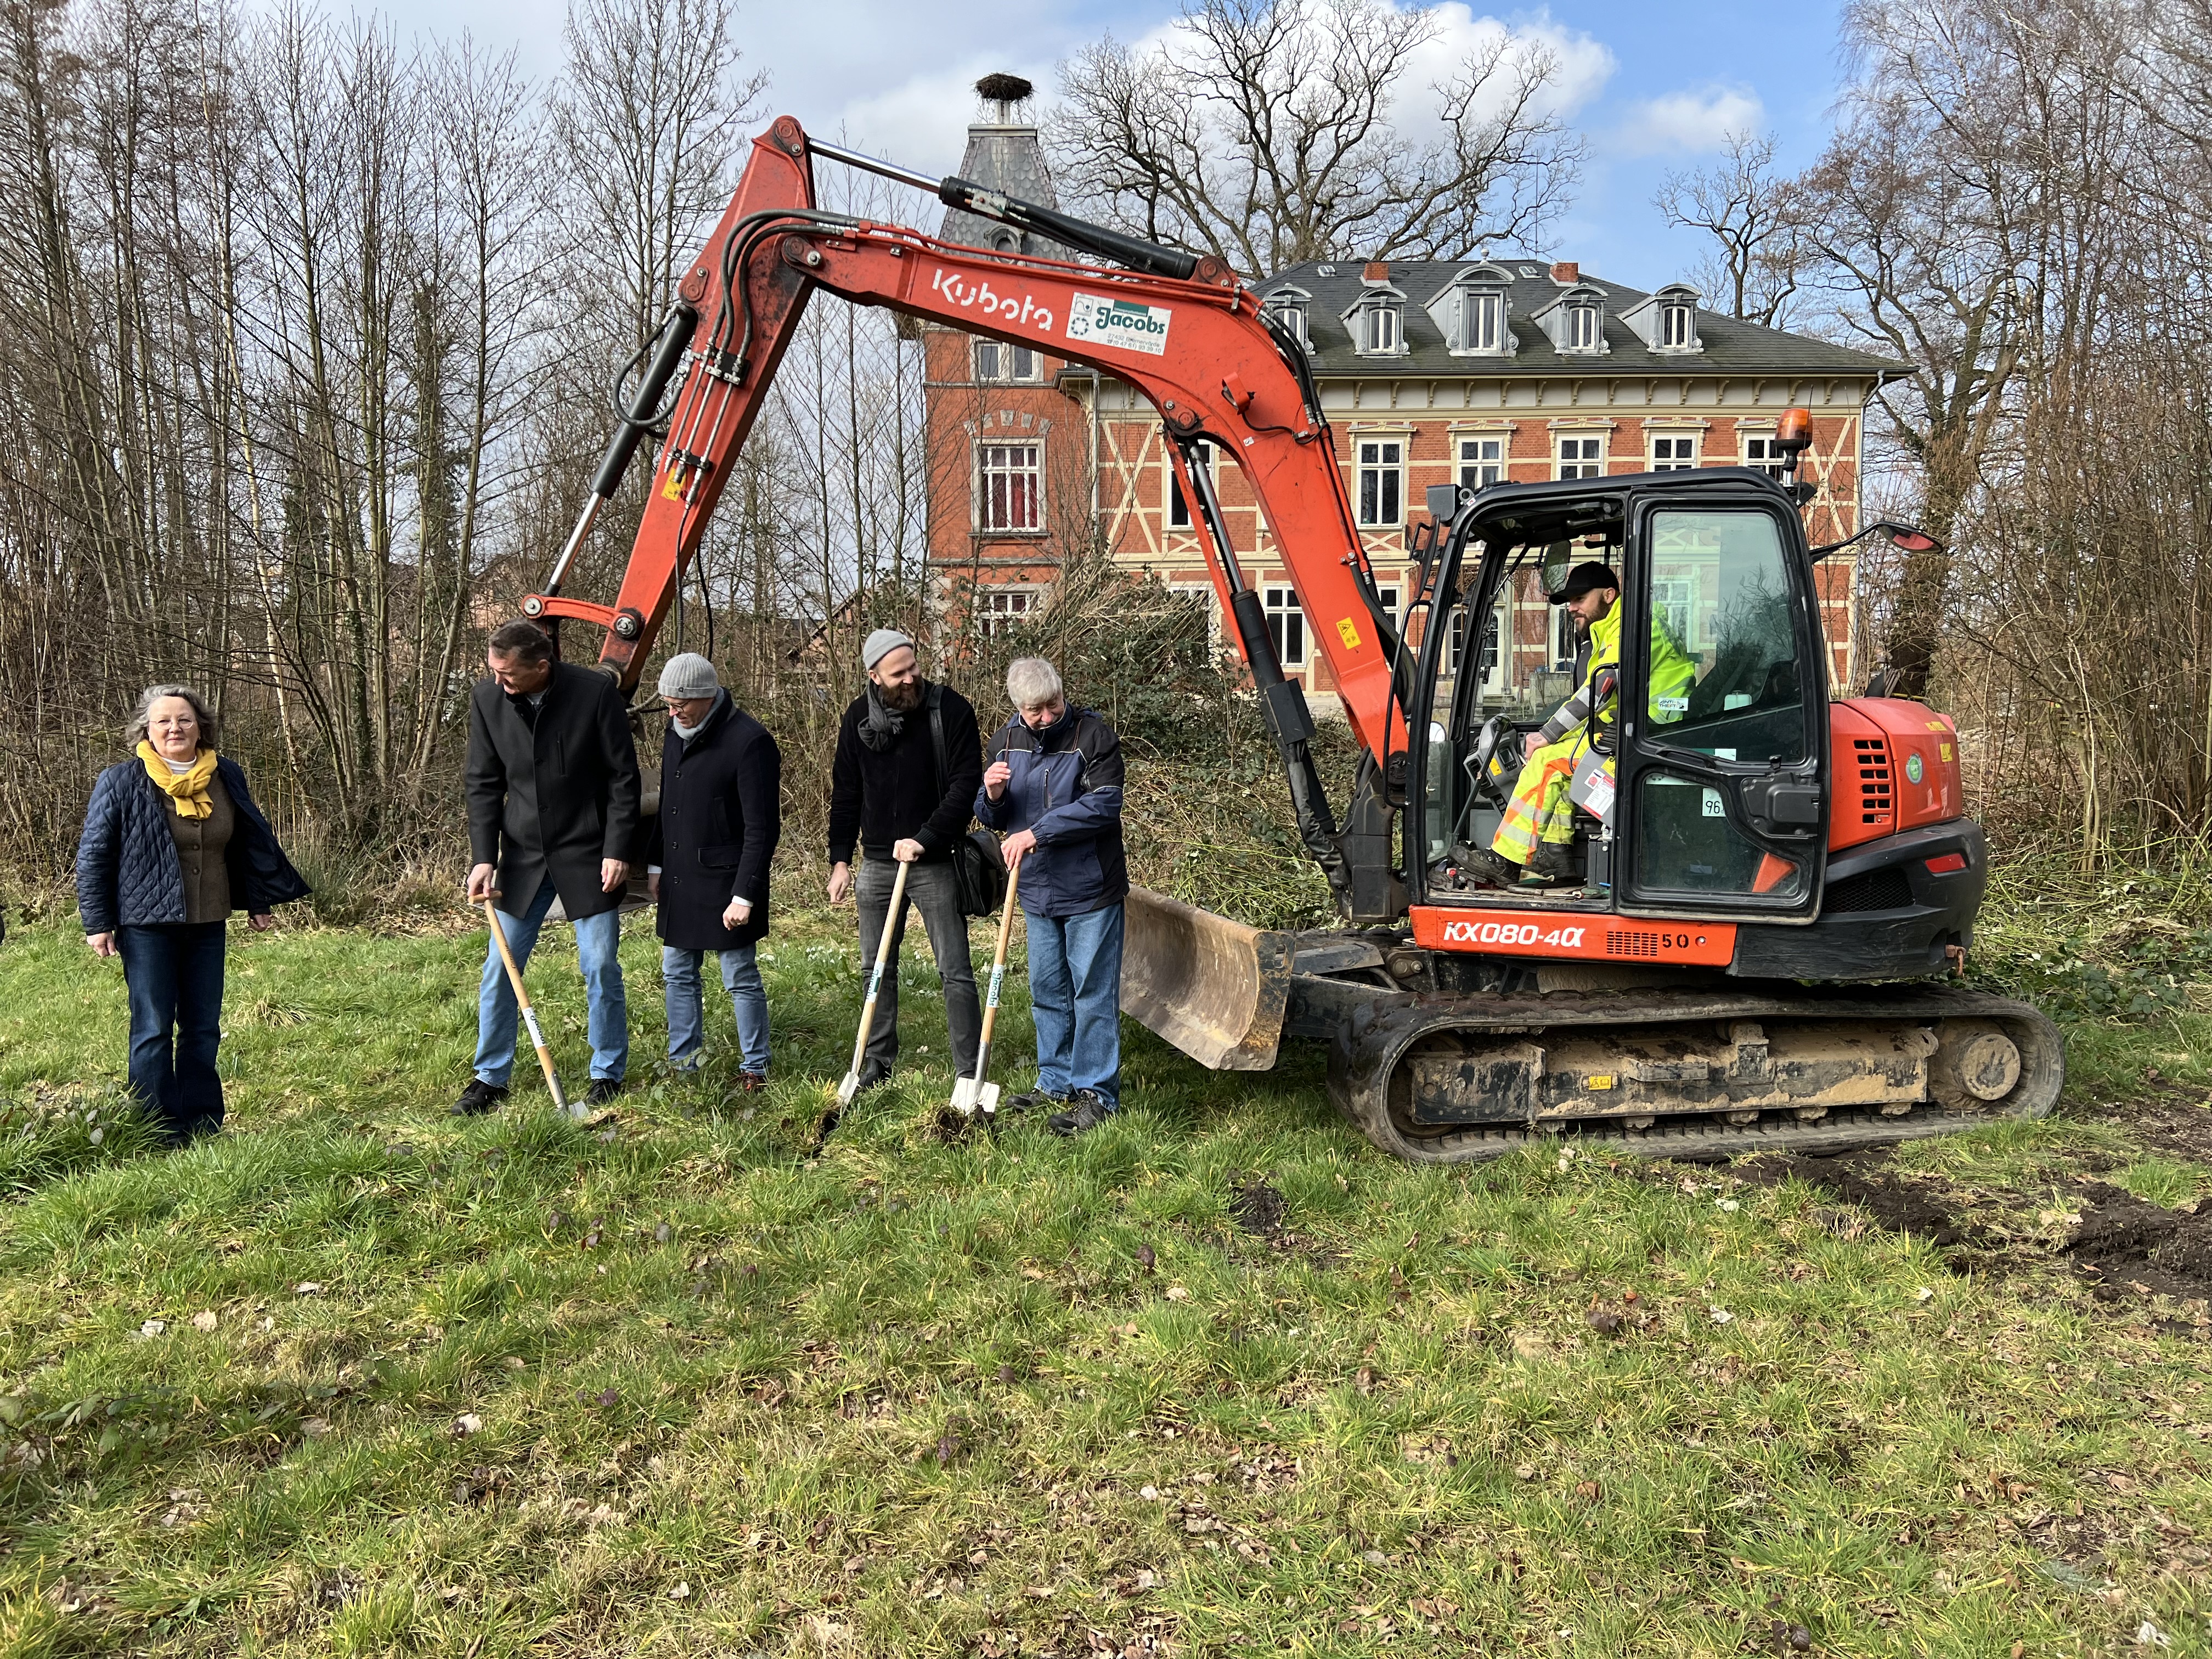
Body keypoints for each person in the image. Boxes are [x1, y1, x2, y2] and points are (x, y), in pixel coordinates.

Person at [76, 684, 309, 1147]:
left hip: (208, 922)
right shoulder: (121, 780)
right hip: (147, 924)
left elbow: (246, 842)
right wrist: (98, 922)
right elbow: (94, 855)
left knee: (202, 1027)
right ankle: (153, 1127)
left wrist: (258, 900)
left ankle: (201, 1122)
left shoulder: (226, 774)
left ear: (201, 726)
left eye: (184, 719)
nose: (174, 728)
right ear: (146, 729)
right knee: (154, 1027)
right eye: (163, 721)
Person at [458, 619, 641, 1115]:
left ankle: (607, 1074)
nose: (499, 680)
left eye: (508, 673)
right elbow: (482, 783)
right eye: (494, 670)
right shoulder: (487, 699)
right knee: (500, 968)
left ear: (542, 666)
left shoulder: (594, 694)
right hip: (522, 856)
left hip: (589, 853)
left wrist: (617, 848)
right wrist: (483, 857)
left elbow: (623, 779)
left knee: (599, 965)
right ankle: (490, 1078)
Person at [1466, 562, 1695, 887]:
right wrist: (1552, 737)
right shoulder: (1619, 626)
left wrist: (1546, 735)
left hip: (1650, 738)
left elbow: (1602, 689)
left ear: (1609, 595)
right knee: (1560, 755)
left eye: (1579, 599)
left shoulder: (1634, 627)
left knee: (1548, 763)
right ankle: (1558, 855)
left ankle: (1507, 860)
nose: (1572, 607)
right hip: (1641, 731)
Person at [976, 657, 1128, 1136]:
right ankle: (1055, 1081)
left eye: (1053, 705)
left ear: (1063, 695)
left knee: (1092, 992)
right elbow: (993, 817)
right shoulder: (1004, 741)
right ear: (1018, 708)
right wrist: (992, 795)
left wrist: (1037, 833)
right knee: (1047, 990)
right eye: (1035, 710)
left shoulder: (1093, 738)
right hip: (1036, 890)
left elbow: (1103, 805)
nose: (1046, 716)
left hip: (1090, 888)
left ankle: (1096, 1094)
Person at [826, 628, 983, 1092]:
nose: (911, 678)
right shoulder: (858, 718)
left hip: (934, 863)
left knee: (954, 970)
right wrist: (840, 860)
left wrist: (925, 839)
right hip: (877, 865)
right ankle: (876, 1062)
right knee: (876, 968)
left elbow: (965, 787)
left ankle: (968, 1070)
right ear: (874, 676)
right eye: (898, 674)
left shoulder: (949, 710)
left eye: (913, 667)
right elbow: (846, 793)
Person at [645, 653, 781, 1088]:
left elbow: (762, 829)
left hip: (728, 882)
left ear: (706, 696)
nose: (673, 713)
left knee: (739, 976)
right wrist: (656, 863)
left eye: (679, 704)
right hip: (679, 876)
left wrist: (745, 894)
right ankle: (684, 1064)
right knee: (677, 972)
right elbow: (668, 804)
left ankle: (755, 1067)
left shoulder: (750, 741)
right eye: (668, 705)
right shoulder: (674, 730)